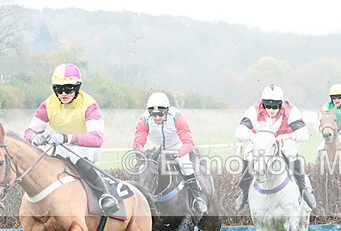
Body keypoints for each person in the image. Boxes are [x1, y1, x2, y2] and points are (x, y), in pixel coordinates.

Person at [23, 63, 119, 215]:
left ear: (77, 87)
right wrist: (36, 138)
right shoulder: (47, 105)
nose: (63, 93)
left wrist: (65, 137)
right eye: (58, 89)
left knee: (76, 155)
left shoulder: (89, 104)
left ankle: (105, 195)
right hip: (59, 147)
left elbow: (97, 138)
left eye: (68, 88)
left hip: (87, 148)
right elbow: (28, 132)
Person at [233, 83, 316, 210]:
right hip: (262, 142)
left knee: (291, 153)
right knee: (248, 154)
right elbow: (239, 131)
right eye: (268, 106)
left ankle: (303, 188)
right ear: (263, 103)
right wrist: (253, 137)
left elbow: (304, 134)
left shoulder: (291, 110)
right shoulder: (254, 109)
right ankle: (244, 191)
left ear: (281, 104)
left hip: (283, 139)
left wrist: (289, 137)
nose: (271, 110)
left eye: (275, 106)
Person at [132, 91, 208, 215]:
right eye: (154, 115)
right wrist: (140, 153)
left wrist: (178, 153)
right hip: (155, 149)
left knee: (185, 165)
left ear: (166, 110)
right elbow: (138, 141)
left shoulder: (177, 117)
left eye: (160, 114)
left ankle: (197, 198)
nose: (157, 118)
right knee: (144, 169)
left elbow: (189, 143)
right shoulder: (144, 119)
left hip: (176, 147)